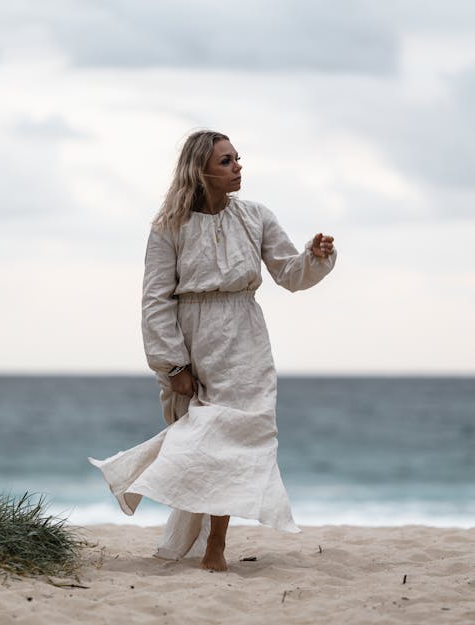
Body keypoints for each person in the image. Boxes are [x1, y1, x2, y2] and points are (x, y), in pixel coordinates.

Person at [89, 130, 336, 571]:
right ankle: (135, 479)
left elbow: (289, 273)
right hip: (195, 339)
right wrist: (173, 363)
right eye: (226, 161)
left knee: (237, 439)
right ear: (200, 171)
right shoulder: (169, 226)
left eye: (238, 158)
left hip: (246, 340)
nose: (238, 166)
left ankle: (216, 546)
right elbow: (155, 299)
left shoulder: (256, 216)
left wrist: (313, 257)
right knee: (202, 441)